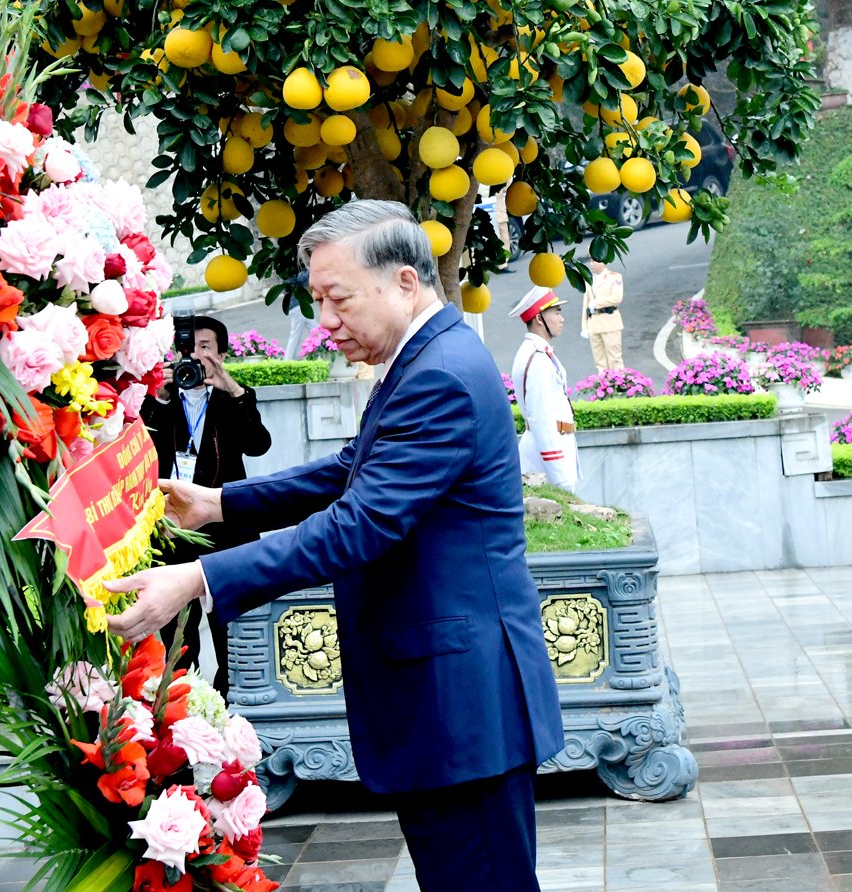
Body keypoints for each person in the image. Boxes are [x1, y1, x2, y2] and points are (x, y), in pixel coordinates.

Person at [109, 200, 564, 891]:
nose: (325, 322)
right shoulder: (427, 355)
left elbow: (360, 522)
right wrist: (221, 501)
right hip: (452, 696)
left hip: (464, 705)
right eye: (318, 300)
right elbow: (349, 468)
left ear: (405, 282)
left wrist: (199, 577)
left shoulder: (437, 374)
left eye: (337, 299)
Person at [140, 315, 271, 693]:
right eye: (187, 348)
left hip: (227, 530)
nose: (193, 357)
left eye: (204, 348)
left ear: (221, 354)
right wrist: (159, 398)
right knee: (176, 639)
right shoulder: (161, 401)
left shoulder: (234, 397)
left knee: (233, 632)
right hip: (170, 531)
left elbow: (258, 444)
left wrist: (229, 385)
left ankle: (233, 710)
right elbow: (141, 449)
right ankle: (179, 712)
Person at [510, 284, 580, 492]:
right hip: (546, 460)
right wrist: (561, 477)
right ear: (539, 319)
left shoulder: (537, 352)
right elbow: (541, 419)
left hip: (552, 452)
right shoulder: (536, 358)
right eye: (556, 312)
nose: (562, 318)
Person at [581, 257, 625, 372]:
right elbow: (586, 305)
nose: (591, 264)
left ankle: (618, 386)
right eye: (590, 260)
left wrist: (597, 303)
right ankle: (604, 387)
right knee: (600, 362)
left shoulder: (614, 277)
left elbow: (617, 298)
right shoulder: (589, 280)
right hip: (594, 324)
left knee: (614, 359)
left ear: (603, 261)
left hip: (610, 322)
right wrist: (584, 327)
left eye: (594, 260)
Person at [283, 268, 312, 359]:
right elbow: (300, 279)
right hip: (296, 307)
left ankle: (329, 346)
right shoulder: (289, 269)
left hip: (298, 306)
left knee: (317, 330)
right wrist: (311, 270)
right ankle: (287, 360)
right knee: (295, 336)